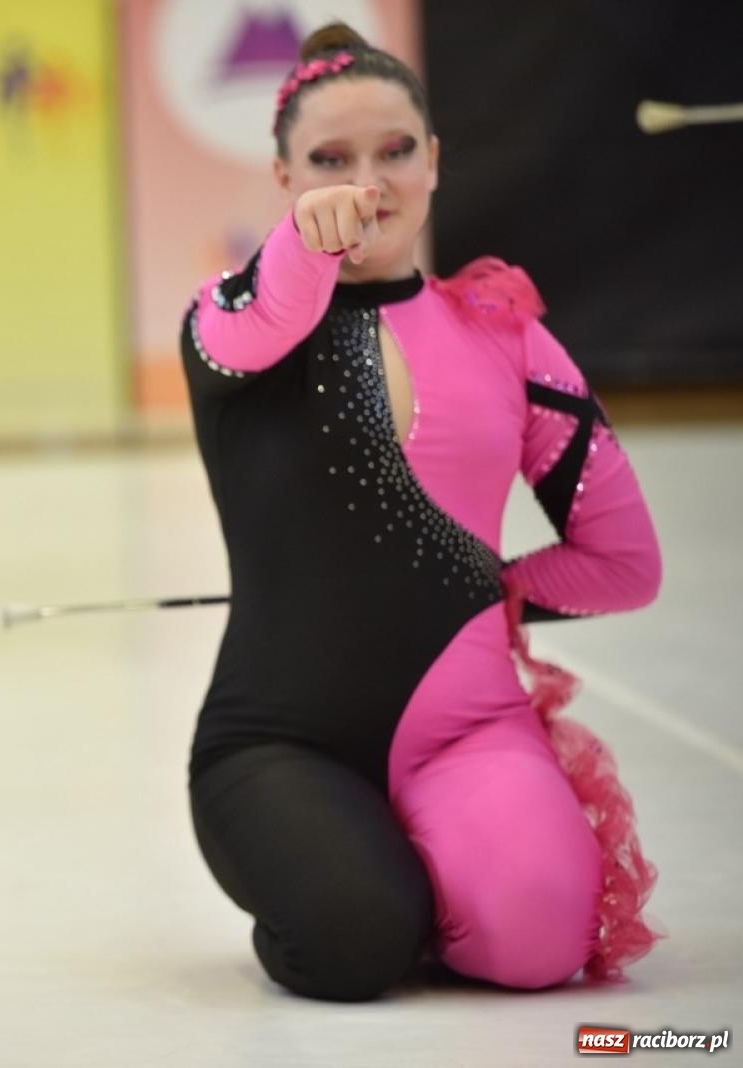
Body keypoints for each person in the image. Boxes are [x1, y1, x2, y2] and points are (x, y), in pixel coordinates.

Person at [182, 23, 662, 1002]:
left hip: (466, 729)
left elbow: (623, 562)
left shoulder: (508, 338)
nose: (367, 184)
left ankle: (437, 854)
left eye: (394, 150)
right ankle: (358, 870)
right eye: (328, 160)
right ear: (282, 177)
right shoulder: (229, 316)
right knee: (354, 944)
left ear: (435, 161)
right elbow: (268, 317)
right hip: (279, 742)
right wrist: (301, 249)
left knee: (538, 947)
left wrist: (491, 592)